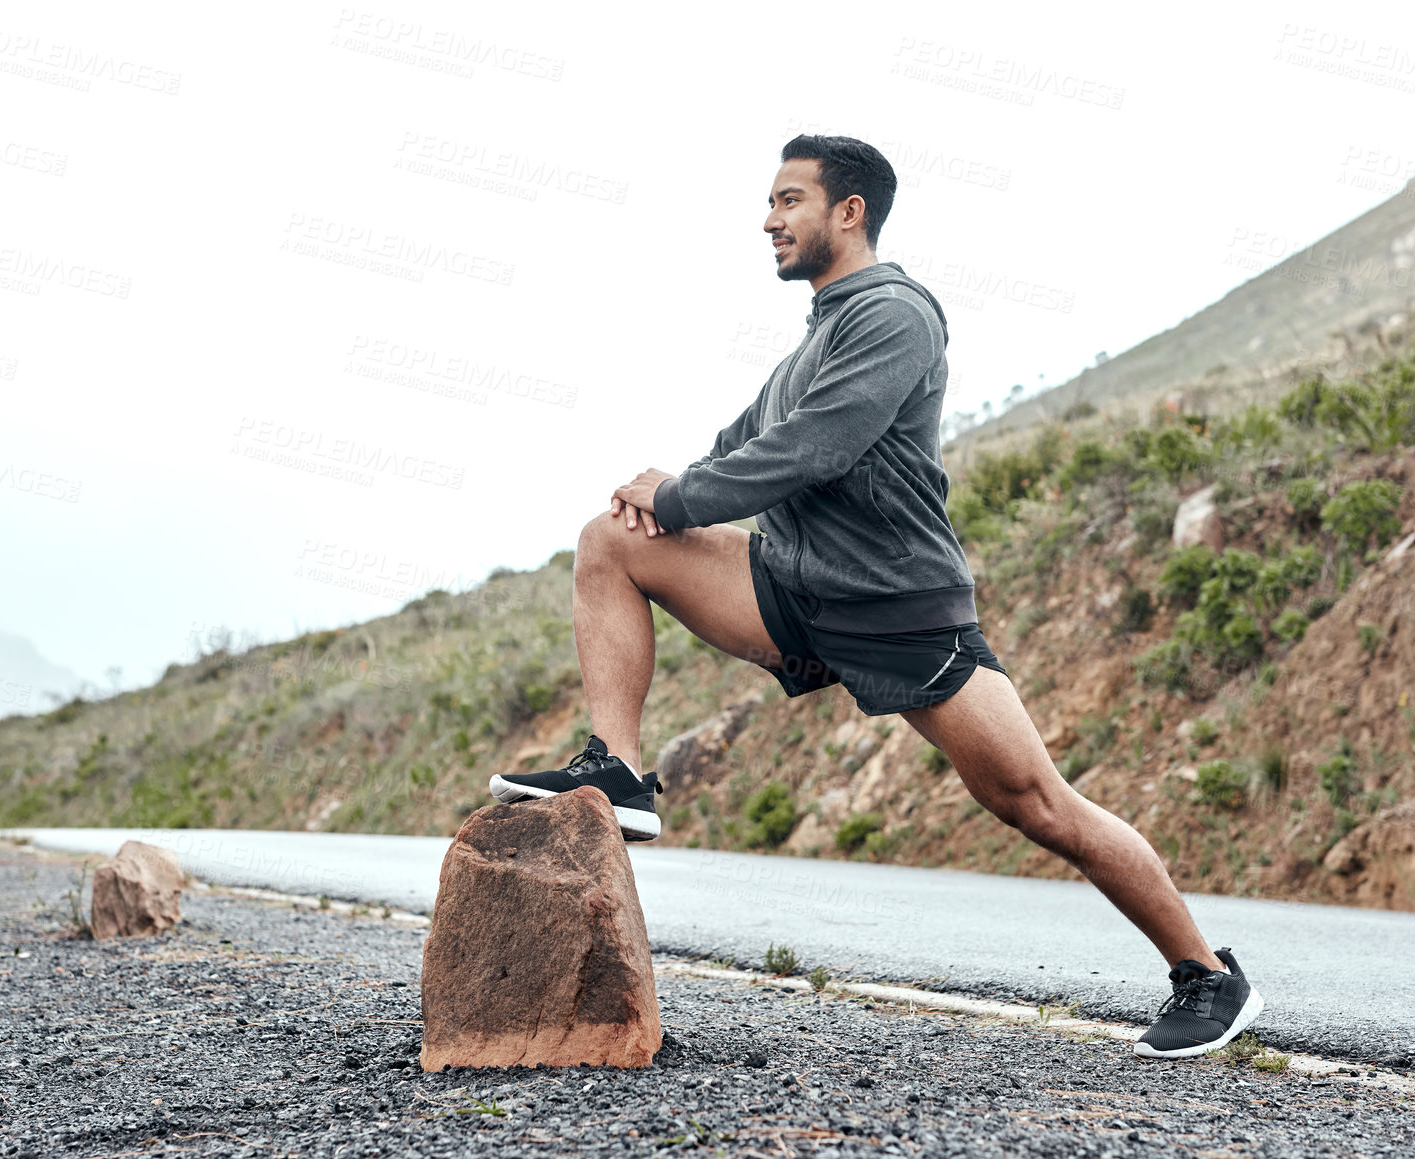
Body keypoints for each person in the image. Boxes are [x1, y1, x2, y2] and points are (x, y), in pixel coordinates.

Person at [488, 133, 1264, 1058]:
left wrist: (684, 494)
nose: (768, 220)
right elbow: (741, 446)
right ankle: (615, 766)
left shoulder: (894, 314)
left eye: (789, 201)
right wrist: (664, 491)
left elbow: (819, 447)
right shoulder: (811, 344)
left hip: (900, 609)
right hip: (796, 589)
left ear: (847, 212)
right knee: (610, 544)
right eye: (770, 204)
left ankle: (1206, 976)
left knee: (1037, 803)